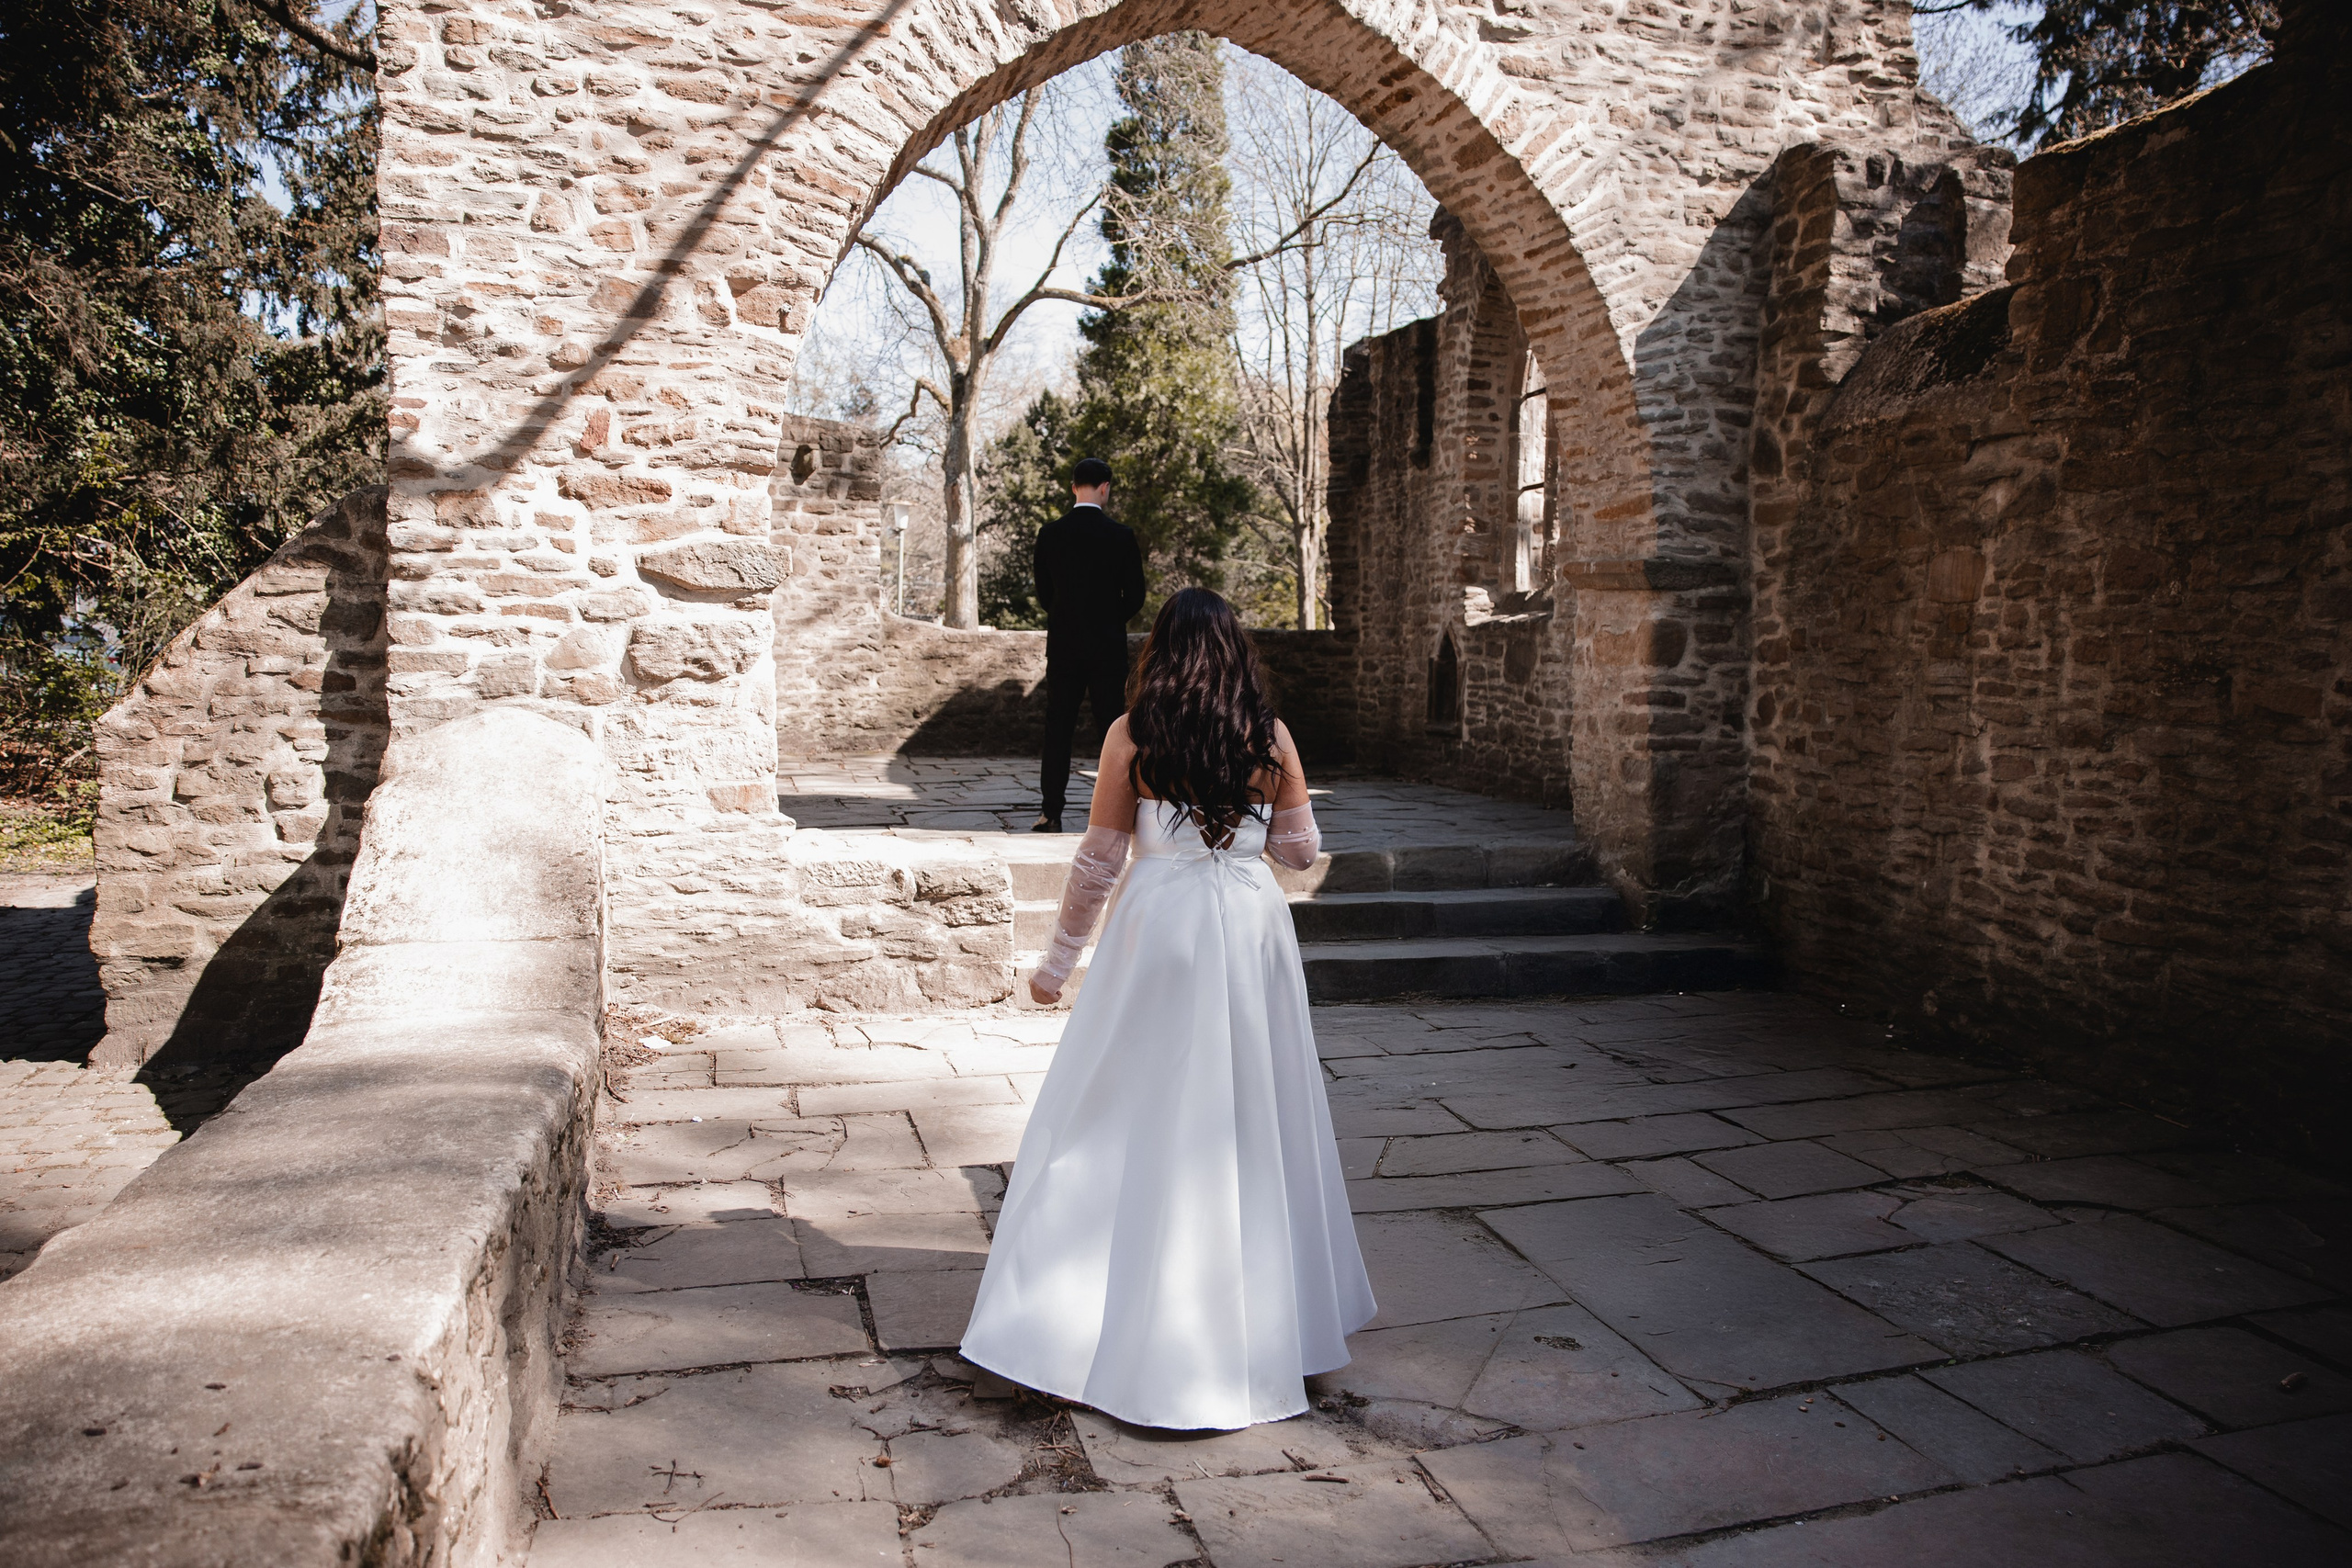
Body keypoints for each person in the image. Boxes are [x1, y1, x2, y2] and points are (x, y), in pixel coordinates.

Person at [959, 588, 1375, 1431]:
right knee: (1256, 1114)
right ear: (1236, 652)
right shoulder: (1271, 735)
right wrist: (1271, 817)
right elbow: (1299, 855)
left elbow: (1099, 860)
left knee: (1115, 1111)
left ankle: (1076, 1318)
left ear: (1161, 653)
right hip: (1250, 930)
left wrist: (1057, 964)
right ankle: (1262, 1326)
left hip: (1160, 929)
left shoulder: (1132, 734)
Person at [1031, 457, 1146, 833]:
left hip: (1064, 646)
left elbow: (1044, 593)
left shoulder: (1050, 534)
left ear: (1073, 486)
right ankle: (1125, 812)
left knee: (1057, 729)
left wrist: (1068, 618)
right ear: (1105, 487)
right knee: (1115, 729)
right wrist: (1110, 620)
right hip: (1107, 648)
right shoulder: (1121, 536)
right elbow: (1137, 596)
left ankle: (1051, 812)